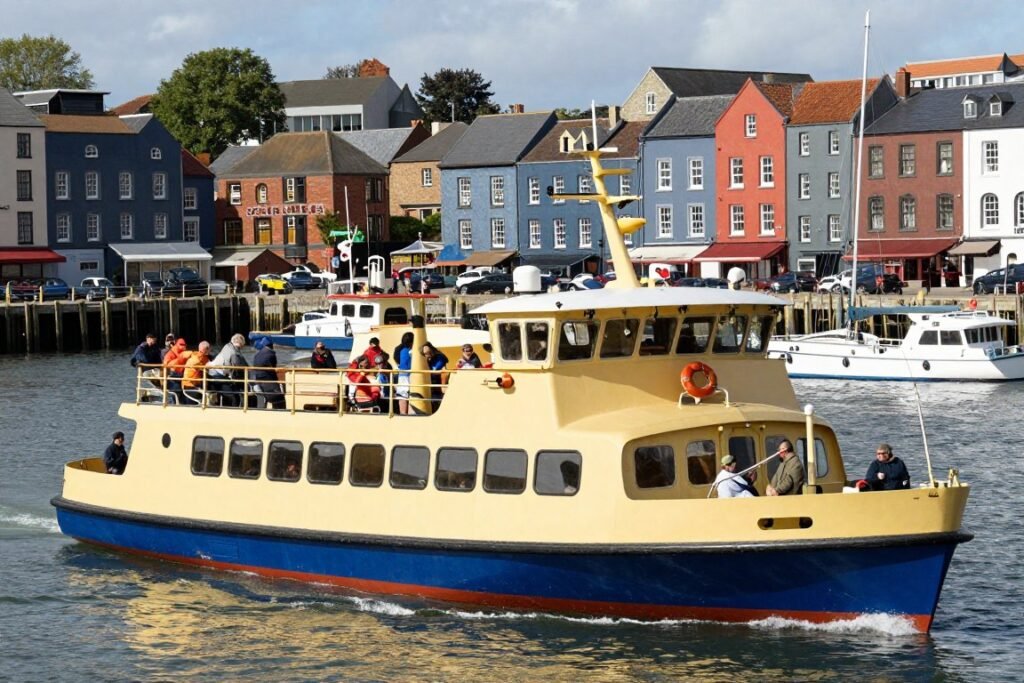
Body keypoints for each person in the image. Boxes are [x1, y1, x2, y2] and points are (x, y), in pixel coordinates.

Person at [207, 334, 248, 407]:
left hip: (214, 373)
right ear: (241, 344)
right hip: (218, 376)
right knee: (234, 396)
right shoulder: (234, 353)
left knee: (234, 392)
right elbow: (236, 368)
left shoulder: (228, 346)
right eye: (242, 345)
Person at [252, 336, 285, 409]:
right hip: (268, 382)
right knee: (280, 399)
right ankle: (281, 414)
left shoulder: (257, 354)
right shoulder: (271, 354)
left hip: (258, 381)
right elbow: (272, 369)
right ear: (271, 345)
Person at [395, 332, 414, 415]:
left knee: (402, 396)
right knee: (410, 396)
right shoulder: (411, 351)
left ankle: (402, 413)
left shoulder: (402, 350)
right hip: (408, 375)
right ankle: (410, 414)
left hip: (401, 375)